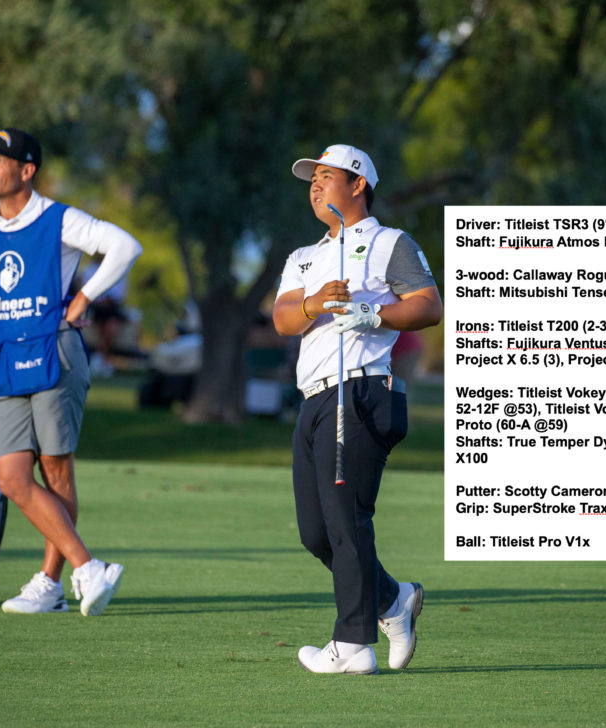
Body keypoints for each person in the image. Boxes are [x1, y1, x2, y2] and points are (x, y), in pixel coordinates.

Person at [0, 128, 142, 616]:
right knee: (11, 476)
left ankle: (50, 585)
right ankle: (87, 567)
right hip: (4, 359)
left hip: (56, 352)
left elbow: (125, 247)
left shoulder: (58, 218)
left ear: (26, 171)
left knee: (55, 470)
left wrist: (84, 298)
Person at [273, 144, 442, 673]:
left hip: (363, 391)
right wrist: (314, 303)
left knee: (347, 520)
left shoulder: (389, 243)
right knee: (316, 533)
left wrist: (373, 312)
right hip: (315, 397)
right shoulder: (303, 257)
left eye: (326, 177)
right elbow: (282, 317)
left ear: (358, 184)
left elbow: (427, 305)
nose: (315, 186)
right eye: (311, 179)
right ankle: (393, 600)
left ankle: (352, 645)